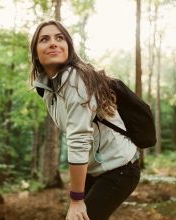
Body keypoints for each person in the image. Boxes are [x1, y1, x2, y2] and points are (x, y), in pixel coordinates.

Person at [29, 20, 140, 220]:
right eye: (44, 39)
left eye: (59, 37)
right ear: (36, 53)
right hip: (98, 167)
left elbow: (79, 138)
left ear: (68, 47)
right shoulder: (48, 89)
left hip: (120, 168)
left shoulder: (74, 79)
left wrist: (77, 199)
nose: (53, 43)